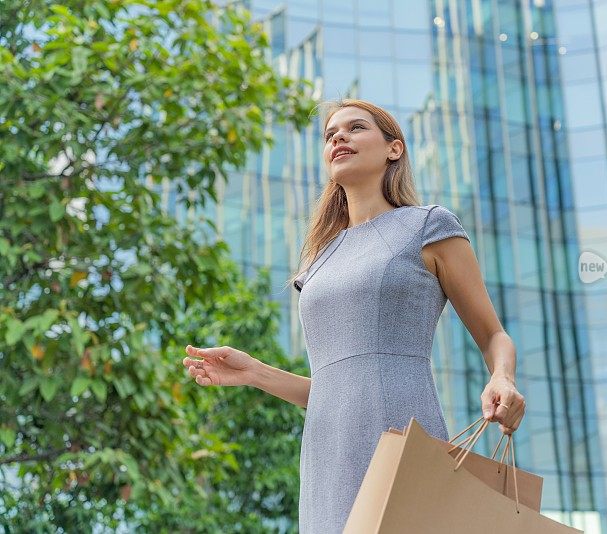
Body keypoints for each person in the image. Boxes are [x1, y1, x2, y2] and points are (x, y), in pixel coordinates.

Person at [181, 98, 525, 533]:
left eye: (355, 128)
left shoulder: (428, 226)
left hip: (403, 434)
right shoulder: (319, 260)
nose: (338, 137)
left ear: (393, 149)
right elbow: (336, 388)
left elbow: (494, 335)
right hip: (326, 454)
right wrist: (254, 372)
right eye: (330, 135)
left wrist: (503, 377)